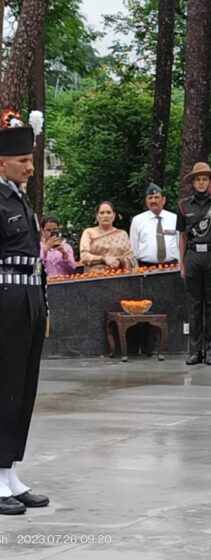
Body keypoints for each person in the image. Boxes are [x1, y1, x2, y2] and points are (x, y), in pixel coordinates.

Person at [0, 109, 50, 515]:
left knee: (23, 388)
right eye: (23, 160)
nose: (31, 167)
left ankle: (10, 471)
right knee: (4, 387)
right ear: (2, 161)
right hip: (4, 301)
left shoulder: (18, 197)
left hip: (29, 297)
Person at [177, 162, 211, 366]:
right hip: (192, 255)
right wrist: (182, 262)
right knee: (194, 305)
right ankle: (195, 350)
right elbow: (182, 236)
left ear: (210, 181)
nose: (201, 183)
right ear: (193, 182)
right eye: (198, 179)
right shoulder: (184, 205)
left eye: (204, 179)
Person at [129, 183, 179, 267]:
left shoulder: (174, 218)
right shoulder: (137, 220)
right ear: (146, 201)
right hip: (145, 267)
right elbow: (133, 247)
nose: (153, 201)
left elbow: (179, 243)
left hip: (172, 266)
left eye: (156, 197)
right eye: (150, 198)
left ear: (163, 200)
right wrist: (136, 268)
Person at [80, 201, 137, 273]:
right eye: (102, 213)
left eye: (109, 212)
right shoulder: (89, 233)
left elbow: (131, 258)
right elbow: (84, 257)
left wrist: (118, 261)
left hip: (120, 277)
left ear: (114, 215)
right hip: (94, 278)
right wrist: (104, 259)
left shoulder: (122, 234)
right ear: (97, 216)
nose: (105, 215)